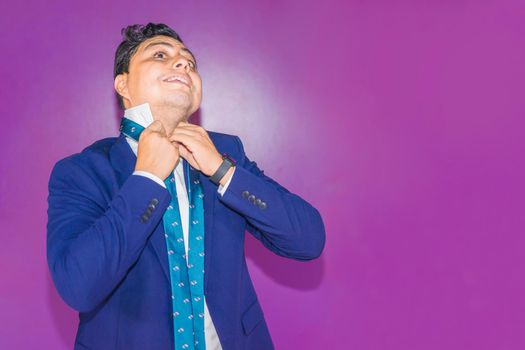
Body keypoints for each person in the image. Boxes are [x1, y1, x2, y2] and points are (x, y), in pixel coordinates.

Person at [46, 22, 326, 350]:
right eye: (160, 55)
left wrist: (223, 172)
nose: (182, 64)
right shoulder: (81, 171)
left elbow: (309, 240)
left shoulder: (227, 153)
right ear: (123, 84)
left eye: (189, 62)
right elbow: (78, 286)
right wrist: (146, 179)